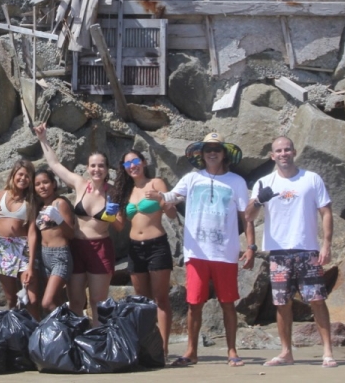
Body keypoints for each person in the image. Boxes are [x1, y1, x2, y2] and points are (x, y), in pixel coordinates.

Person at [144, 132, 255, 368]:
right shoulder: (192, 178)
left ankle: (232, 350)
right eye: (207, 149)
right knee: (194, 303)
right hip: (196, 252)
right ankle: (191, 351)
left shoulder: (237, 182)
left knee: (228, 303)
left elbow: (246, 217)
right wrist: (159, 196)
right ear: (202, 155)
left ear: (224, 154)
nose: (212, 153)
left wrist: (251, 247)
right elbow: (171, 196)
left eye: (216, 149)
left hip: (225, 252)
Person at [245, 136, 337, 368]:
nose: (283, 153)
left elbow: (326, 212)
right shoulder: (264, 182)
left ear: (294, 152)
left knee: (316, 299)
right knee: (282, 302)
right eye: (279, 150)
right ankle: (286, 352)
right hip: (278, 253)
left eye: (287, 149)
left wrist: (326, 244)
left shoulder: (311, 179)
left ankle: (327, 352)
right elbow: (248, 216)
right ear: (272, 156)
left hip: (307, 250)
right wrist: (258, 202)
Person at [33, 123, 123, 327]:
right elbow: (55, 165)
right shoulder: (80, 184)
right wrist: (43, 139)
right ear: (88, 168)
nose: (96, 169)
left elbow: (119, 227)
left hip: (100, 248)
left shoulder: (113, 192)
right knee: (76, 302)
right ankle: (78, 341)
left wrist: (110, 217)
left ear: (107, 168)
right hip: (76, 248)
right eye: (93, 165)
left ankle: (99, 342)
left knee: (97, 303)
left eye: (101, 165)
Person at [110, 149, 176, 359]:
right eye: (127, 163)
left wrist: (161, 199)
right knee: (142, 300)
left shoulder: (156, 183)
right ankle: (147, 347)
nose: (132, 166)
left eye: (135, 161)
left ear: (144, 162)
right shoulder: (125, 191)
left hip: (157, 244)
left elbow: (172, 214)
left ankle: (163, 349)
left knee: (160, 299)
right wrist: (107, 214)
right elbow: (120, 226)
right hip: (135, 248)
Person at [0, 159, 39, 319]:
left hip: (24, 248)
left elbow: (32, 232)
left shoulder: (30, 201)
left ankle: (36, 332)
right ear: (13, 175)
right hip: (3, 249)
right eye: (20, 174)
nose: (23, 179)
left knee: (32, 299)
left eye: (28, 176)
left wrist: (30, 265)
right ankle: (16, 331)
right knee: (11, 298)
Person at [33, 167, 75, 313]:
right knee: (57, 301)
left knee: (47, 302)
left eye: (45, 182)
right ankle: (67, 331)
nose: (42, 187)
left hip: (60, 256)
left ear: (53, 184)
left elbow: (71, 234)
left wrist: (58, 219)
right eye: (37, 184)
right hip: (45, 256)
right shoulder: (39, 207)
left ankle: (72, 327)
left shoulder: (60, 203)